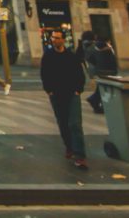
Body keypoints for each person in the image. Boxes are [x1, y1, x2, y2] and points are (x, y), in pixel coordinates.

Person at [41, 29, 88, 169]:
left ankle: (80, 155)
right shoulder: (48, 56)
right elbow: (44, 74)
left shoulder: (71, 56)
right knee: (63, 123)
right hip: (56, 94)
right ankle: (69, 146)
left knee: (75, 123)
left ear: (63, 40)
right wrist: (48, 90)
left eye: (57, 38)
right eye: (53, 38)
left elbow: (80, 74)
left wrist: (78, 90)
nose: (54, 40)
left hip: (72, 94)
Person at [85, 37, 118, 113]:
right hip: (108, 71)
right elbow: (112, 60)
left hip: (100, 71)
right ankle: (95, 100)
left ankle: (96, 101)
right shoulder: (108, 49)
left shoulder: (95, 48)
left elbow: (90, 58)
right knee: (105, 88)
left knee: (102, 87)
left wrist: (97, 65)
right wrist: (114, 71)